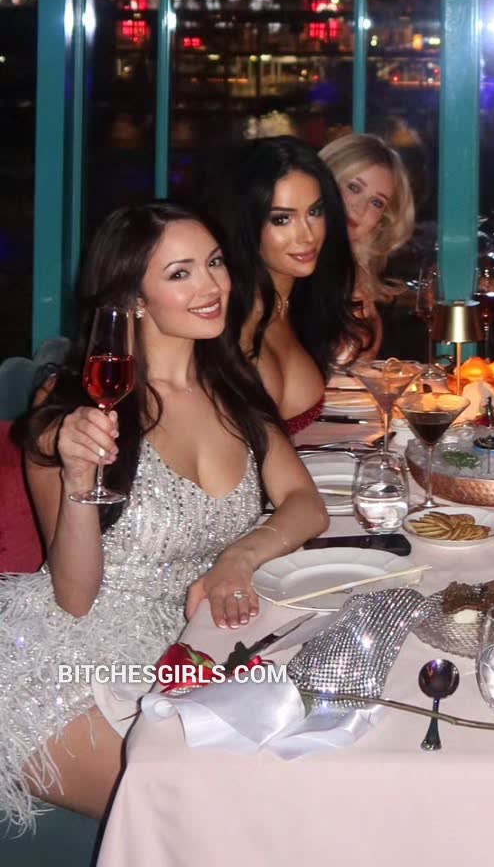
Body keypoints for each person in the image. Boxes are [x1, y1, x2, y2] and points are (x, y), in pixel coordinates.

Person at [0, 203, 328, 830]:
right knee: (212, 819)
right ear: (132, 299)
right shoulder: (75, 404)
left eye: (214, 263)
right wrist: (77, 479)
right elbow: (74, 597)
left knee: (307, 781)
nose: (211, 286)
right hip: (73, 664)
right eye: (181, 273)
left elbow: (305, 504)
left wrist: (239, 556)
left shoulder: (233, 388)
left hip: (196, 645)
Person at [206, 137, 371, 434]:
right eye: (282, 219)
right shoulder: (230, 317)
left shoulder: (297, 303)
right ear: (247, 224)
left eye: (315, 212)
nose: (307, 235)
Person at [319, 132, 416, 358]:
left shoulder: (358, 280)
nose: (360, 208)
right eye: (354, 188)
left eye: (376, 202)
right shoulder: (287, 268)